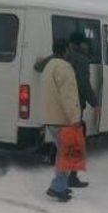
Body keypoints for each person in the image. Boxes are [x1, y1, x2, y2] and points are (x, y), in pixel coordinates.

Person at [41, 39, 82, 202]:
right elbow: (69, 95)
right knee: (67, 154)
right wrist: (75, 118)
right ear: (65, 50)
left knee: (62, 153)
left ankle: (60, 185)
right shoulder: (65, 68)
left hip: (50, 117)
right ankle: (58, 187)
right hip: (63, 118)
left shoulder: (49, 66)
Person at [66, 32, 99, 188]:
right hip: (75, 105)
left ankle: (64, 176)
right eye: (85, 43)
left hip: (60, 104)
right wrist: (95, 102)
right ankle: (71, 176)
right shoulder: (80, 60)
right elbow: (84, 84)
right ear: (80, 44)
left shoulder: (62, 56)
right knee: (75, 141)